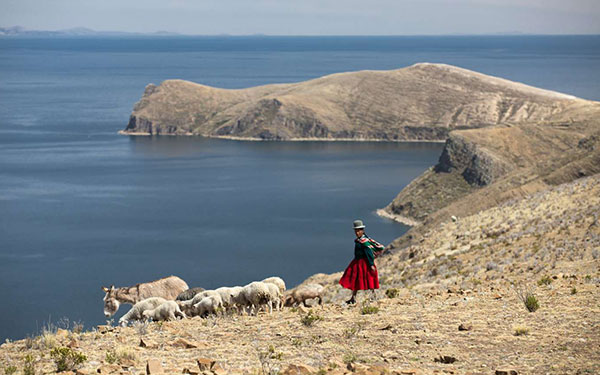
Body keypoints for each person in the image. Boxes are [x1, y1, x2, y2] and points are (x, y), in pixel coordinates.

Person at [339, 219, 385, 304]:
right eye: (356, 231)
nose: (357, 232)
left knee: (369, 279)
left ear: (362, 230)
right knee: (356, 280)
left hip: (364, 263)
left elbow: (369, 253)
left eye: (359, 230)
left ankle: (373, 296)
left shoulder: (364, 241)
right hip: (357, 262)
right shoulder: (360, 240)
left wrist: (371, 264)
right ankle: (353, 298)